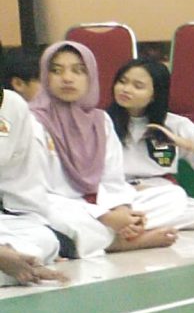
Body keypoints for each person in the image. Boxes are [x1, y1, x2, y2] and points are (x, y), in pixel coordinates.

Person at [11, 43, 174, 256]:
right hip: (53, 204)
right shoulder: (31, 121)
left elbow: (113, 180)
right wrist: (105, 217)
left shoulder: (101, 120)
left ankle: (114, 232)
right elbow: (37, 192)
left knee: (171, 198)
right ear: (45, 76)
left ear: (91, 77)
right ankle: (118, 242)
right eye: (56, 70)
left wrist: (122, 210)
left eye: (78, 71)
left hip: (95, 203)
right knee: (58, 217)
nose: (67, 78)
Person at [105, 57, 194, 232]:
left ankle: (126, 227)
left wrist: (184, 143)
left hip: (158, 194)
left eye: (138, 86)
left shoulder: (174, 123)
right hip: (116, 193)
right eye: (122, 82)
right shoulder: (101, 121)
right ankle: (131, 226)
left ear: (155, 94)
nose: (126, 89)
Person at [0, 89, 70, 286]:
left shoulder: (11, 104)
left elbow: (21, 177)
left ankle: (15, 260)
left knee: (46, 240)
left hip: (7, 218)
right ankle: (12, 261)